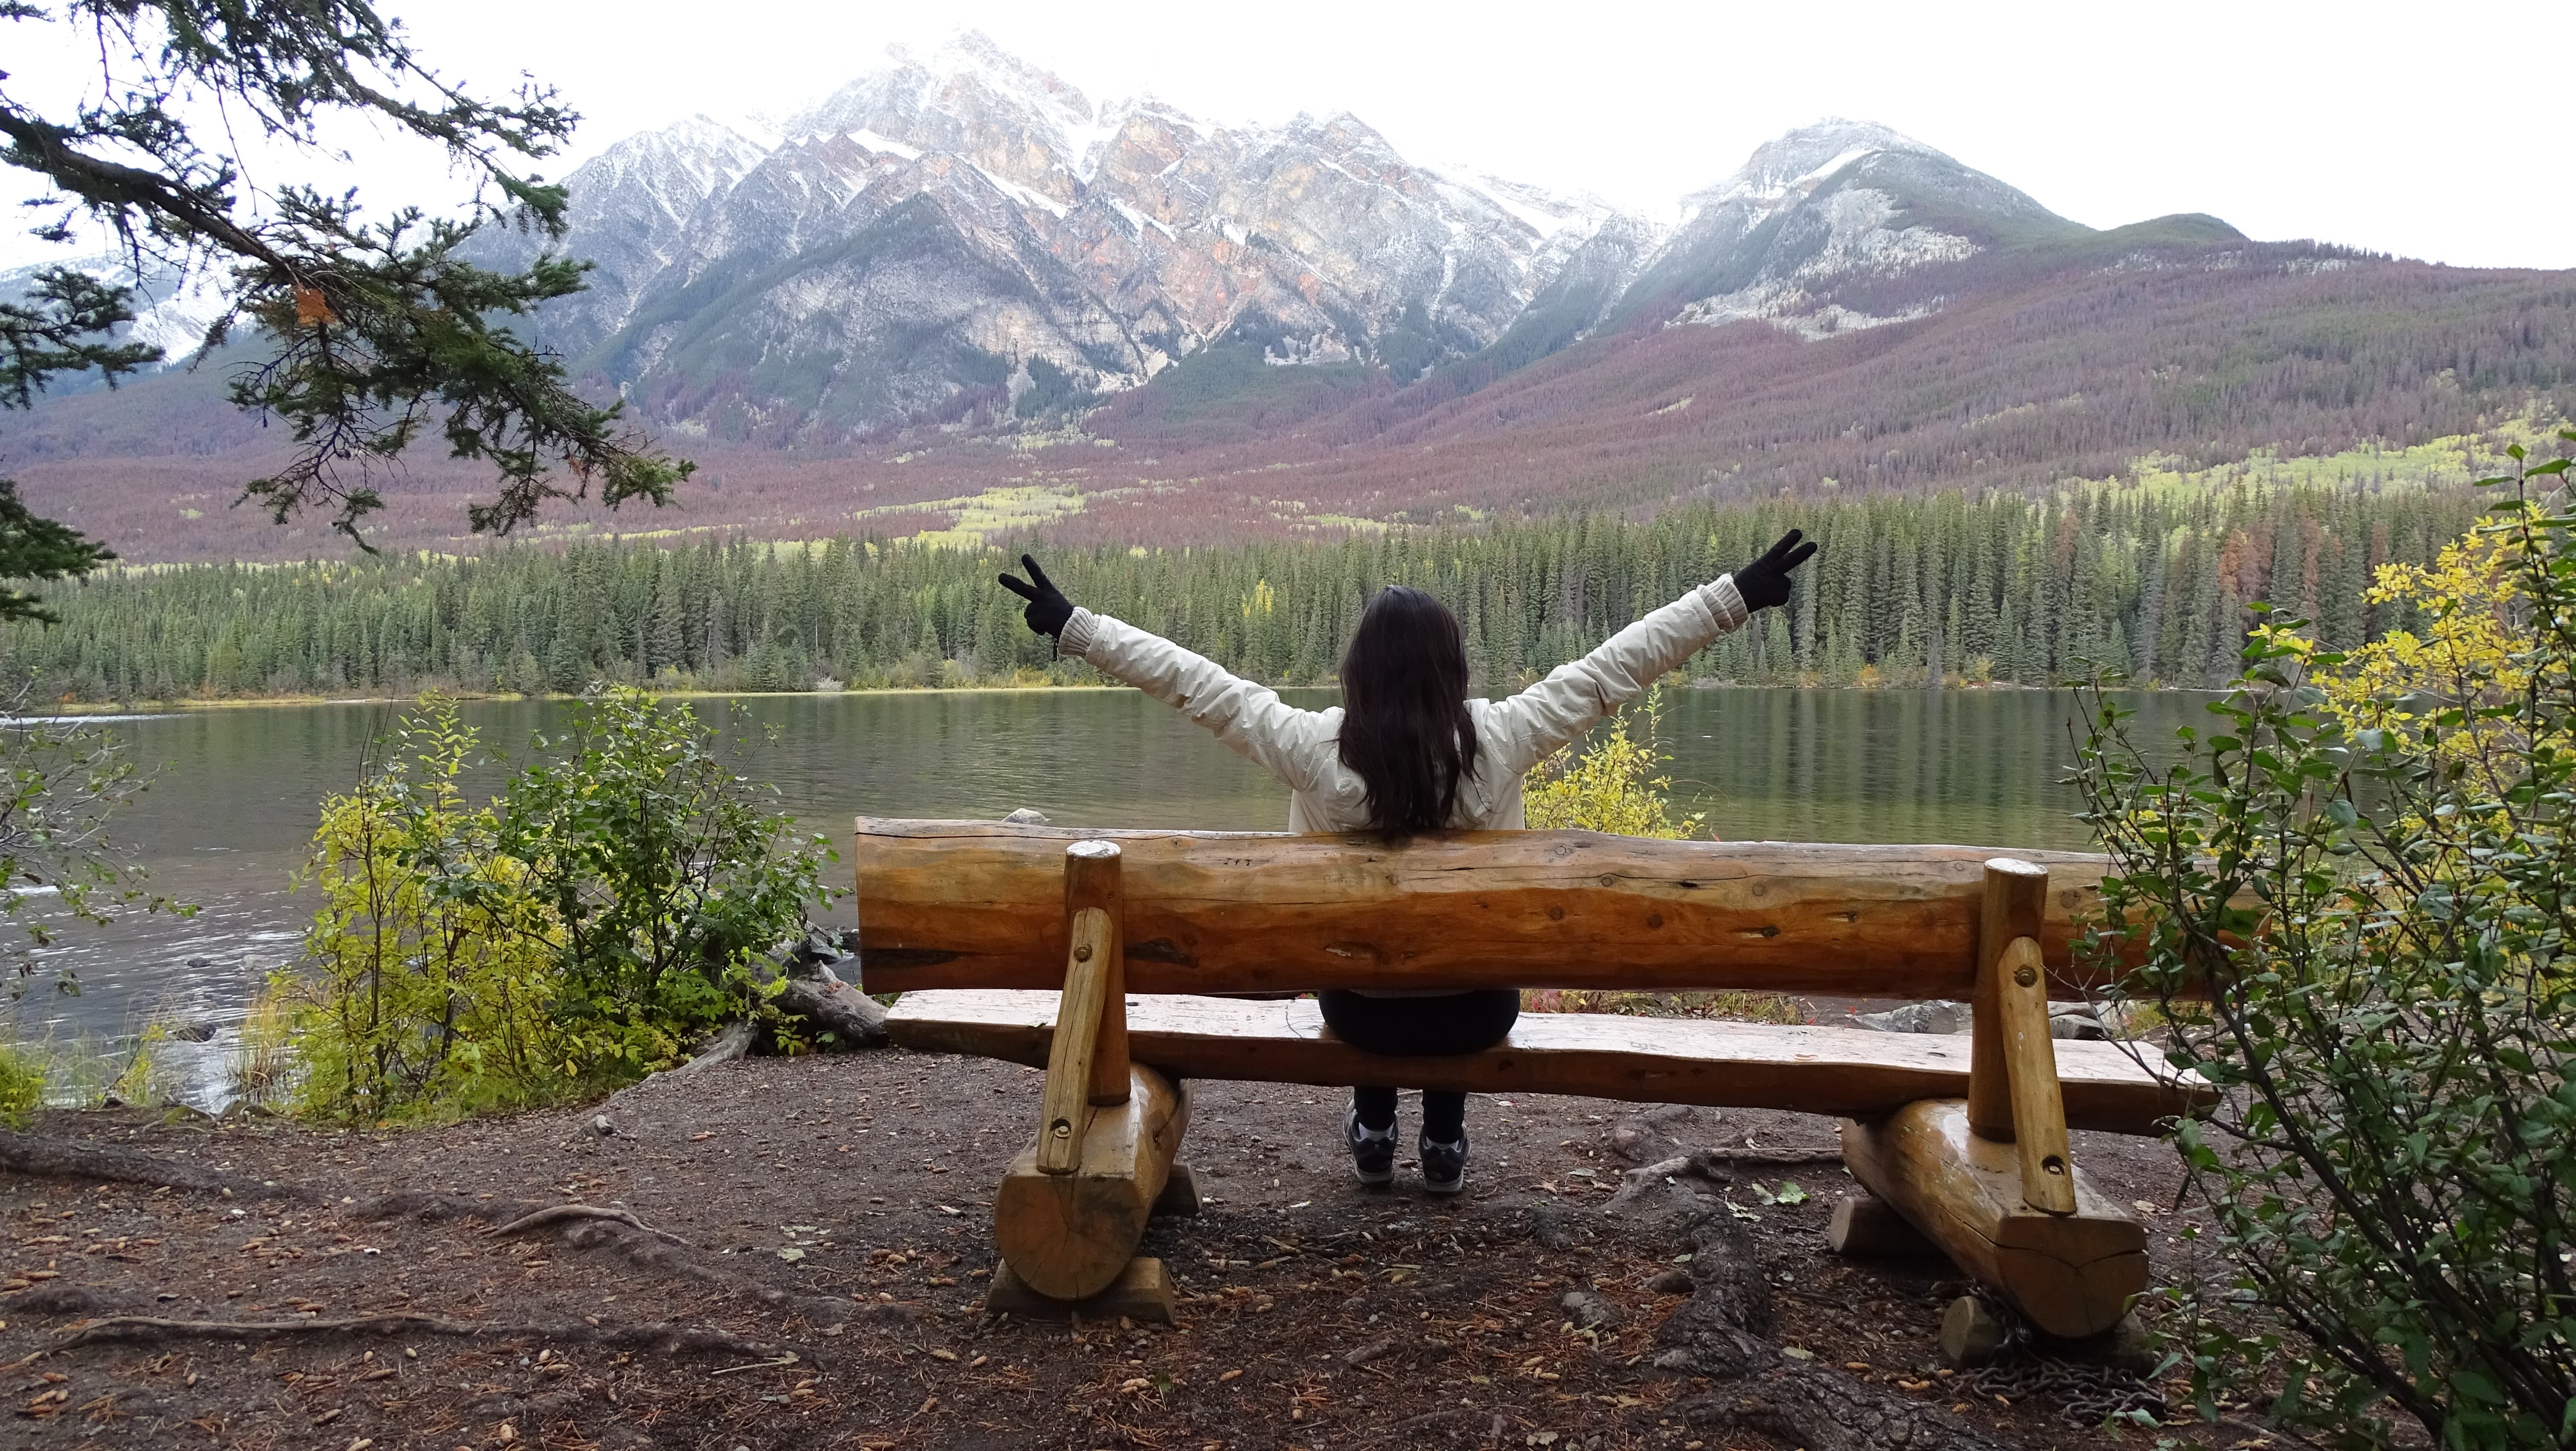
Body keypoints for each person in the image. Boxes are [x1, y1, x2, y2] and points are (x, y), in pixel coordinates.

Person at [998, 531, 1816, 1194]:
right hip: (1476, 1012)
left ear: (1359, 671)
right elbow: (1614, 670)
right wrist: (1733, 597)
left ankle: (1376, 1124)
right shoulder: (1500, 739)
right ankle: (1447, 1137)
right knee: (1456, 959)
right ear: (1450, 669)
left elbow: (1197, 686)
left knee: (1370, 958)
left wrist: (1076, 626)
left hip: (1360, 1010)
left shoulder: (1311, 750)